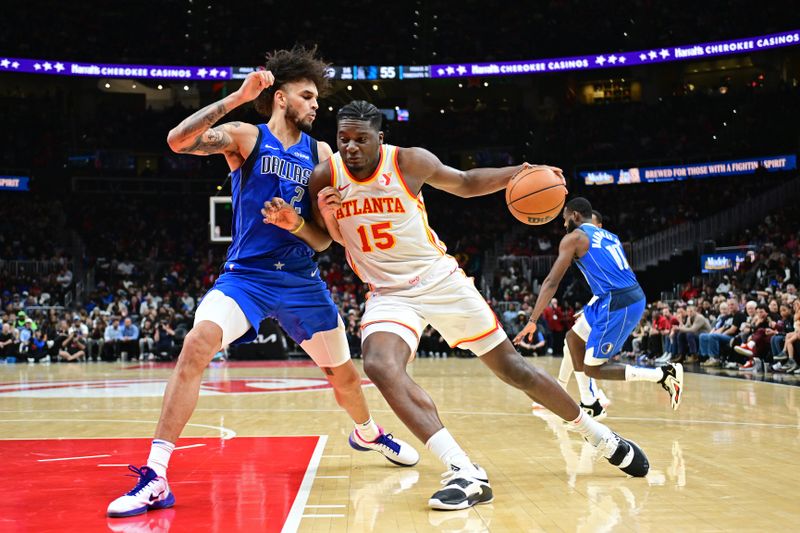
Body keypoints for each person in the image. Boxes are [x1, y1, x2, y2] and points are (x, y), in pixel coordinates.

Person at [264, 100, 649, 511]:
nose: (352, 147)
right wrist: (310, 221)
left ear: (381, 138)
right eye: (344, 139)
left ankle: (597, 434)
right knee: (378, 364)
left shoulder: (409, 162)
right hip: (386, 291)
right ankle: (462, 469)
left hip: (438, 279)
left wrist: (520, 173)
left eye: (361, 139)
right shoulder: (325, 175)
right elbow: (328, 241)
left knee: (514, 370)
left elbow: (465, 182)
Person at [107, 51, 417, 519]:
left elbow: (325, 240)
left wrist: (298, 224)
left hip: (300, 281)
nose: (315, 106)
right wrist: (237, 96)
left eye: (317, 98)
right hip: (246, 277)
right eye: (307, 96)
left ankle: (368, 432)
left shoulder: (322, 155)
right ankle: (156, 475)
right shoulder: (246, 137)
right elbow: (177, 140)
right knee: (196, 344)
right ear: (280, 96)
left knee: (345, 377)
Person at [514, 197, 684, 412]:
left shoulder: (573, 238)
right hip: (612, 297)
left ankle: (663, 374)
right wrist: (594, 302)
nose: (563, 224)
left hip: (619, 302)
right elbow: (617, 274)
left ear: (575, 215)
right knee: (573, 339)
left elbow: (551, 282)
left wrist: (532, 320)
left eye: (565, 218)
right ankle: (589, 403)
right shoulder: (610, 236)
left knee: (593, 368)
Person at [533, 210, 611, 418]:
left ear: (599, 227)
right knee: (571, 345)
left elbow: (611, 286)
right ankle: (567, 392)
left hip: (608, 306)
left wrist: (590, 306)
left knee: (579, 349)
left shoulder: (604, 249)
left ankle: (592, 397)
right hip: (595, 302)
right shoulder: (581, 245)